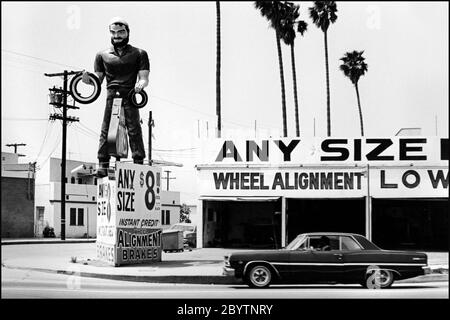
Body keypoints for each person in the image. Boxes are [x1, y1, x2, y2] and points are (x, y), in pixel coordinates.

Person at [83, 17, 149, 177]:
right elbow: (97, 79)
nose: (117, 35)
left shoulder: (139, 53)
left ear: (127, 32)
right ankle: (102, 164)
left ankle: (138, 162)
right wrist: (87, 80)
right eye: (113, 32)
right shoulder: (102, 55)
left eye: (120, 32)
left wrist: (141, 84)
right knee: (107, 129)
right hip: (111, 94)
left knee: (134, 129)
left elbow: (144, 78)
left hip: (131, 94)